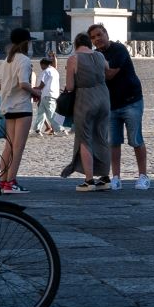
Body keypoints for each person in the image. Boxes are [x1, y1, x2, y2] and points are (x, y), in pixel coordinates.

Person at [90, 23, 149, 190]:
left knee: (136, 139)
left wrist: (91, 71)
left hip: (131, 100)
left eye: (99, 35)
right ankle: (115, 177)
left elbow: (109, 74)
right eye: (93, 37)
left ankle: (143, 176)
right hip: (111, 104)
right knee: (113, 142)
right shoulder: (95, 55)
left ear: (106, 34)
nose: (97, 39)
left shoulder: (119, 49)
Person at [63, 32, 110, 191]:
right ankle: (105, 178)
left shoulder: (74, 59)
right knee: (102, 137)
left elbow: (69, 87)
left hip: (85, 98)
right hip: (103, 97)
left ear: (76, 44)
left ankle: (89, 180)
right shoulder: (100, 56)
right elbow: (107, 69)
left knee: (85, 138)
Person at [0, 29, 40, 194]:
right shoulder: (24, 60)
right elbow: (23, 84)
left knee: (9, 145)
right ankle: (11, 182)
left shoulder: (6, 60)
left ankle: (2, 180)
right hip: (22, 107)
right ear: (25, 43)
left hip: (8, 107)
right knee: (18, 147)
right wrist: (36, 92)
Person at [33, 54, 60, 137]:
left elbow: (42, 84)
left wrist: (35, 88)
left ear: (43, 64)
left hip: (47, 95)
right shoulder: (54, 71)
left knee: (51, 114)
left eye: (41, 65)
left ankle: (60, 129)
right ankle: (37, 130)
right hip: (54, 94)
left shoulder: (46, 71)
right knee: (41, 113)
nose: (41, 67)